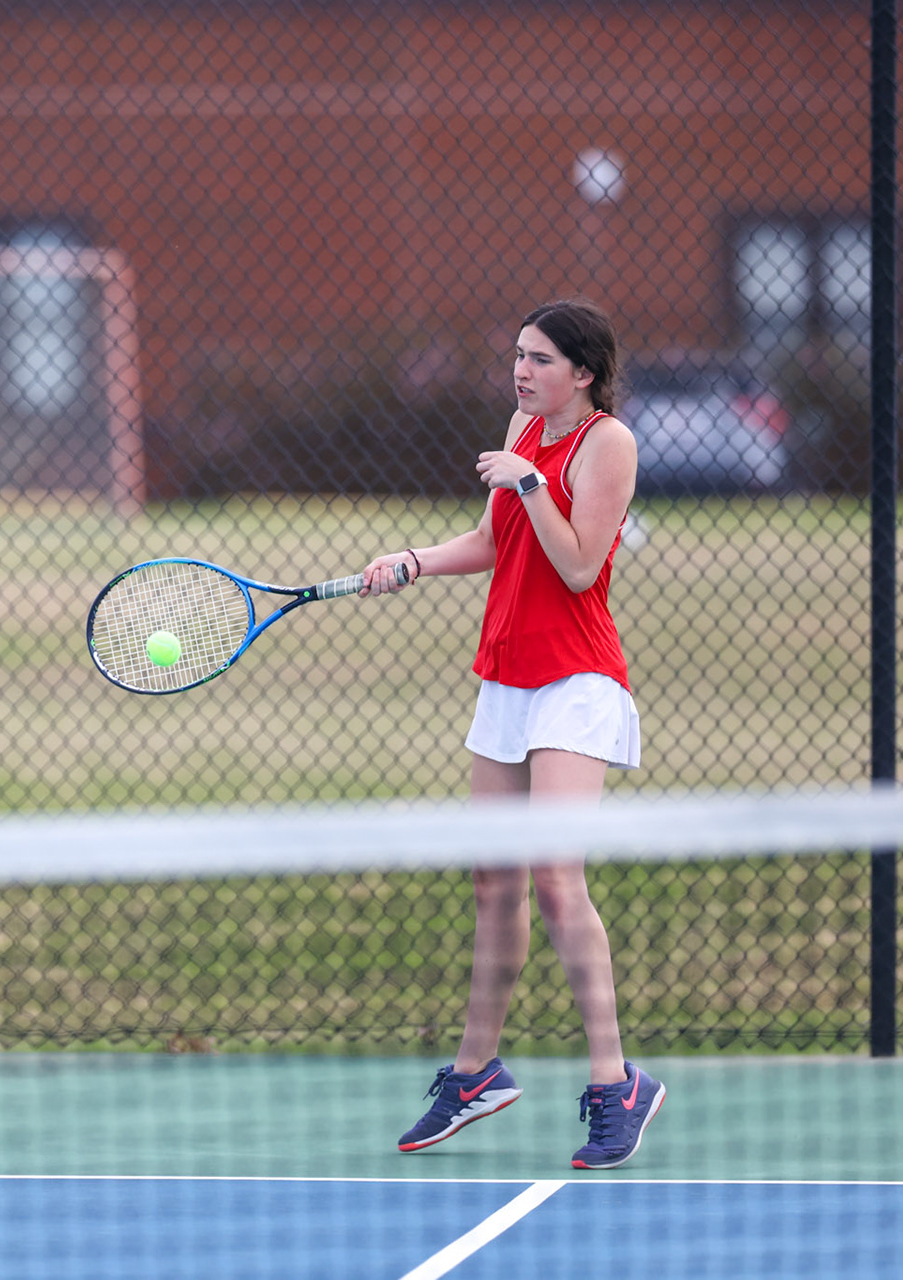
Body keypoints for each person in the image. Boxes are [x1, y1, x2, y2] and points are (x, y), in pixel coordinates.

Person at [361, 298, 664, 1170]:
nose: (521, 371)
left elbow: (575, 565)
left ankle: (616, 1083)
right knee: (494, 881)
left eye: (538, 360)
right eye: (517, 357)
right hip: (507, 677)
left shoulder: (607, 444)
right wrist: (414, 562)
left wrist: (529, 481)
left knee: (556, 879)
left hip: (577, 679)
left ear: (584, 373)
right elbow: (499, 542)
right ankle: (475, 1073)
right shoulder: (521, 428)